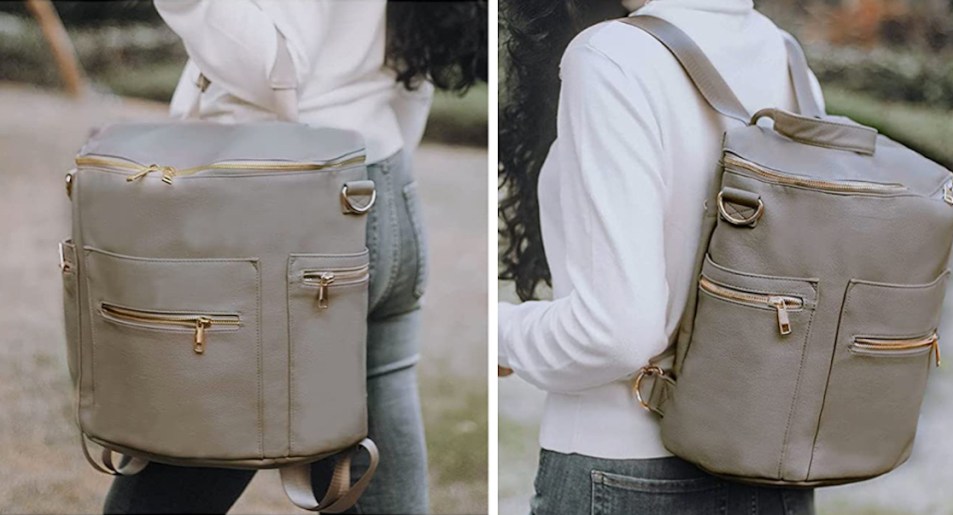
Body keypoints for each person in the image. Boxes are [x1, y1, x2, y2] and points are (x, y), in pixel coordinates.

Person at [103, 1, 485, 513]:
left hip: (282, 205)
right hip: (379, 181)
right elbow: (410, 69)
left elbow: (274, 66)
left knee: (181, 466)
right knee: (373, 419)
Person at [497, 0, 820, 513]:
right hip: (769, 467)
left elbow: (614, 333)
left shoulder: (614, 54)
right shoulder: (785, 57)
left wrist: (501, 334)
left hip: (625, 465)